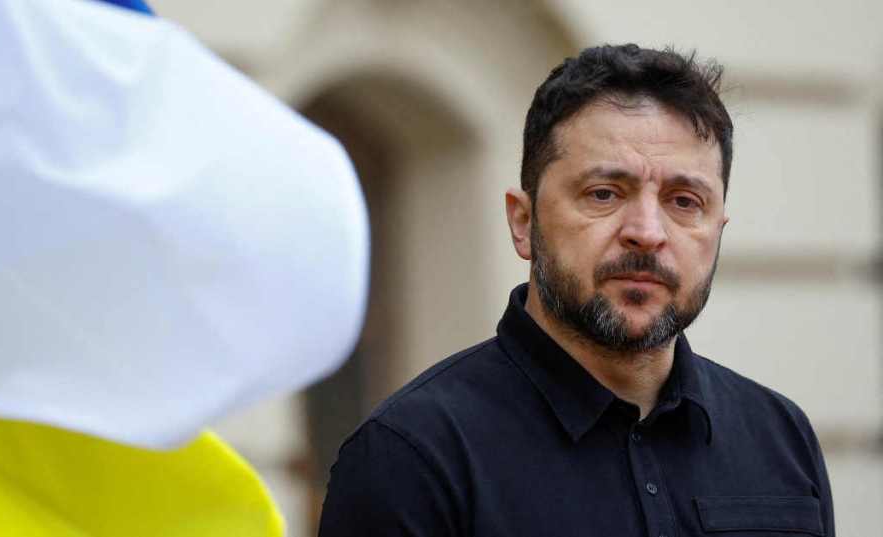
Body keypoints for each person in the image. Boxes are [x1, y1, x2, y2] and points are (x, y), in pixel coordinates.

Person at [318, 44, 834, 536]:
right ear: (523, 222)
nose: (647, 232)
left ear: (718, 228)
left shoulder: (780, 438)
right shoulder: (411, 457)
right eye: (604, 193)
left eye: (684, 201)